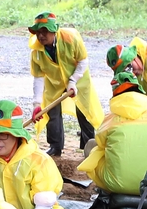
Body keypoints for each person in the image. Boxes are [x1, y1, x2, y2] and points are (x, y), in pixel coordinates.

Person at [78, 44, 147, 195]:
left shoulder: (109, 119)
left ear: (115, 95)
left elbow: (100, 143)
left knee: (93, 146)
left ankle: (108, 191)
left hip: (115, 185)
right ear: (140, 90)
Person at [28, 12, 103, 155]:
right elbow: (38, 77)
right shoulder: (36, 51)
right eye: (38, 32)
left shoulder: (71, 38)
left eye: (45, 31)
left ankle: (89, 146)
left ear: (54, 30)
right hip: (54, 83)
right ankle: (55, 146)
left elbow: (83, 60)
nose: (41, 36)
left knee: (84, 111)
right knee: (52, 112)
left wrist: (73, 80)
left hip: (79, 79)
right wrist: (37, 104)